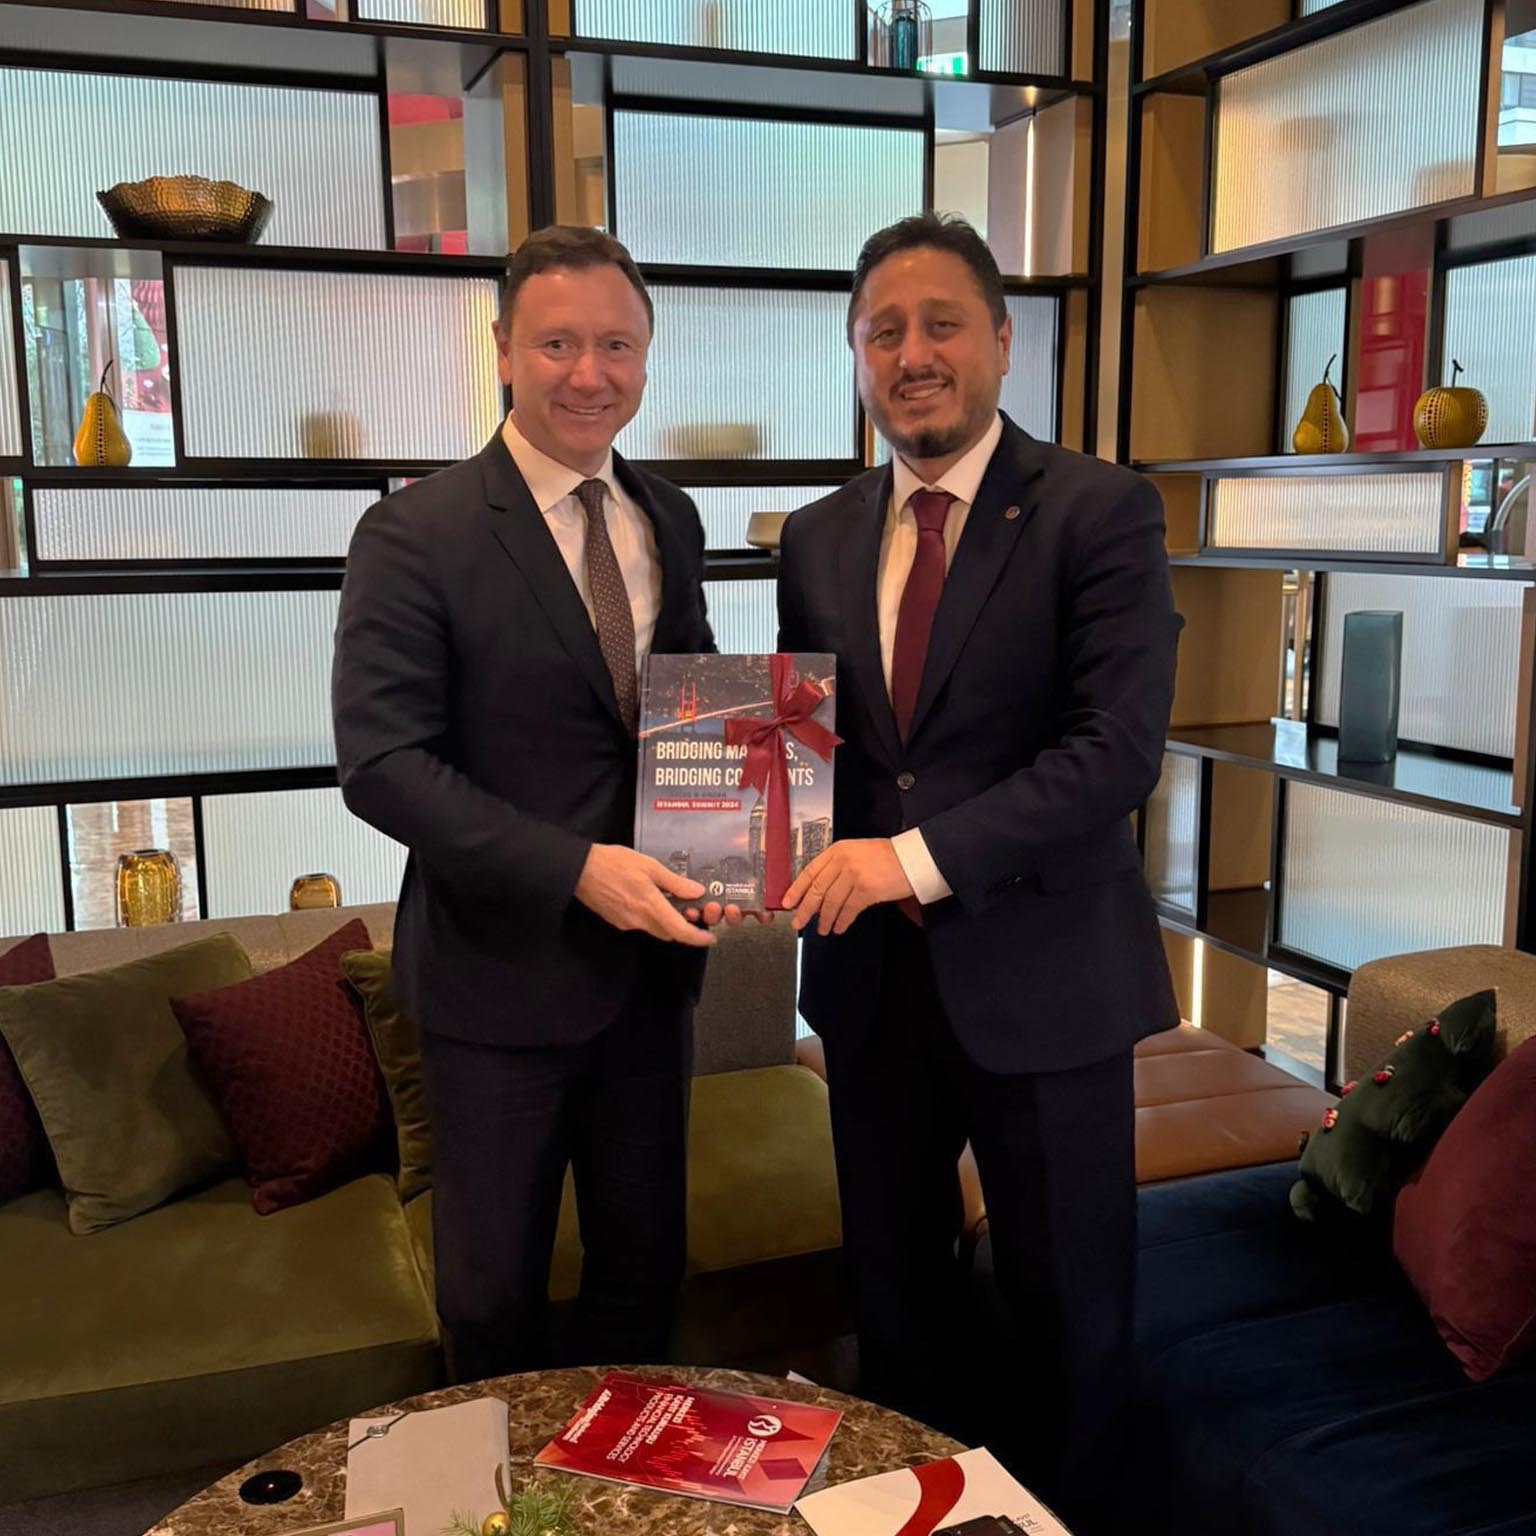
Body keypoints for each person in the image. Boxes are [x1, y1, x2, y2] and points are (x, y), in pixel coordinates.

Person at [776, 212, 1182, 1532]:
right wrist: (727, 839)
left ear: (1002, 340)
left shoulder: (1099, 509)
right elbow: (817, 751)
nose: (913, 354)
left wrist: (907, 861)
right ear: (857, 356)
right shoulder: (816, 535)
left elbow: (1113, 754)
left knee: (1071, 1321)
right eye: (883, 331)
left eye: (941, 323)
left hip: (1048, 987)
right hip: (870, 996)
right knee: (898, 1312)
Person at [333, 225, 722, 1384]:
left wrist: (737, 843)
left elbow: (689, 706)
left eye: (618, 345)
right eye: (557, 344)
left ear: (647, 355)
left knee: (644, 1274)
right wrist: (577, 869)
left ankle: (626, 1475)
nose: (589, 374)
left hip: (651, 983)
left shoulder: (670, 517)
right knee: (493, 1295)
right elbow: (381, 763)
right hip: (495, 988)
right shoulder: (417, 532)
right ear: (503, 349)